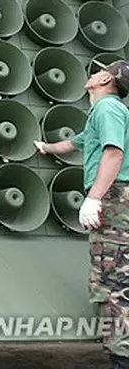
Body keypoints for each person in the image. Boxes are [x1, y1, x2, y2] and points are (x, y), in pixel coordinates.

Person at [34, 59, 129, 369]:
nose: (93, 73)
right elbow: (74, 144)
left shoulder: (108, 109)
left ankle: (122, 358)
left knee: (114, 280)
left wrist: (94, 198)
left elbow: (113, 153)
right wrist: (45, 148)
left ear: (105, 80)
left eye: (100, 70)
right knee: (109, 274)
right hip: (114, 198)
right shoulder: (99, 113)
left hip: (114, 198)